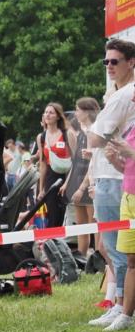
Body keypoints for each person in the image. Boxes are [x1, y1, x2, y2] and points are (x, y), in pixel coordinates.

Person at [87, 38, 135, 329]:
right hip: (113, 173)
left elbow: (94, 137)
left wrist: (102, 138)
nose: (109, 67)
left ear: (131, 62)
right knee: (112, 247)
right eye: (106, 62)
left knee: (117, 249)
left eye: (114, 61)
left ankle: (121, 305)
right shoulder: (117, 93)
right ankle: (118, 303)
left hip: (117, 178)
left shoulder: (125, 94)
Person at [102, 116, 135, 331]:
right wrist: (115, 160)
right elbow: (129, 168)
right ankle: (126, 316)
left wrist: (130, 153)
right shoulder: (132, 127)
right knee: (131, 259)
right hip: (129, 195)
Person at [65, 98, 99, 258]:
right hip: (77, 179)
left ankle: (99, 257)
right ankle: (81, 257)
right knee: (80, 225)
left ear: (87, 111)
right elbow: (75, 161)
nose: (76, 113)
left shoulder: (94, 131)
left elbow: (93, 163)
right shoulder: (80, 133)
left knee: (95, 224)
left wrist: (81, 188)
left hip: (89, 182)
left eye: (78, 110)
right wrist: (67, 183)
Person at [36, 102, 75, 229]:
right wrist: (41, 188)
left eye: (51, 112)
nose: (47, 115)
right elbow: (42, 163)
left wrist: (66, 183)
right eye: (46, 112)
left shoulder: (67, 134)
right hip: (50, 178)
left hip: (66, 177)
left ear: (58, 116)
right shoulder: (41, 137)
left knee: (62, 213)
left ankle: (58, 243)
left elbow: (76, 162)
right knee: (49, 213)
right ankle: (49, 243)